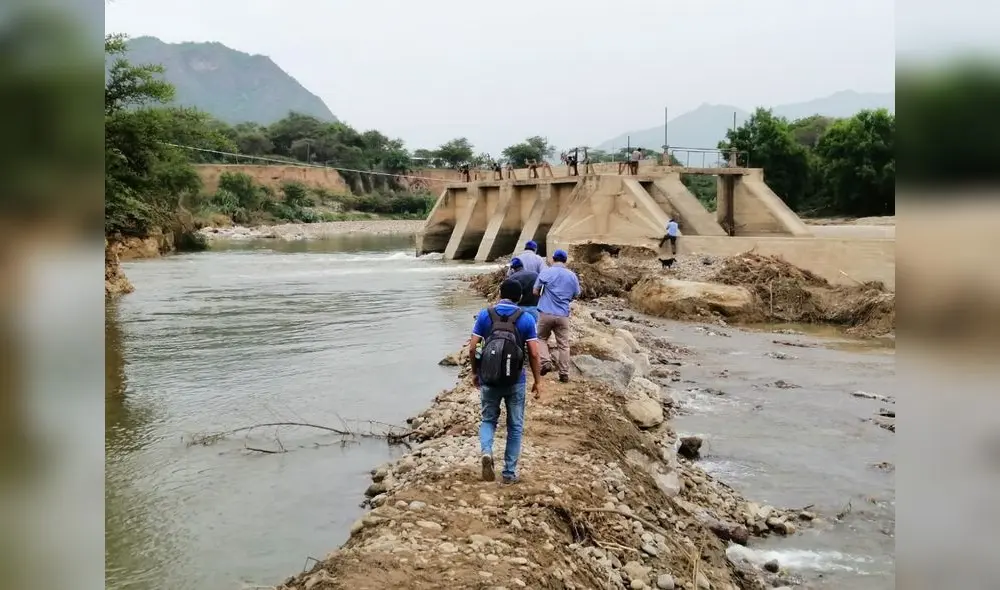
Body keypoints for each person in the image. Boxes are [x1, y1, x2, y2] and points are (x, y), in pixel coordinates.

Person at [469, 279, 543, 484]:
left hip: (489, 379)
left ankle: (486, 451)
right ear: (519, 297)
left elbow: (472, 347)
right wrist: (538, 381)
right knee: (515, 426)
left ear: (500, 294)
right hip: (515, 380)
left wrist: (475, 373)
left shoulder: (485, 315)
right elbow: (535, 353)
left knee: (488, 420)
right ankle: (509, 473)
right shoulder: (526, 318)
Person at [532, 249, 581, 383]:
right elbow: (577, 293)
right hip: (563, 314)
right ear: (565, 260)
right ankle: (564, 373)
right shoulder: (572, 275)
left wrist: (544, 294)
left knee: (541, 338)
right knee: (564, 345)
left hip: (546, 312)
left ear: (553, 259)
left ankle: (546, 361)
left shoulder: (546, 271)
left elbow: (535, 291)